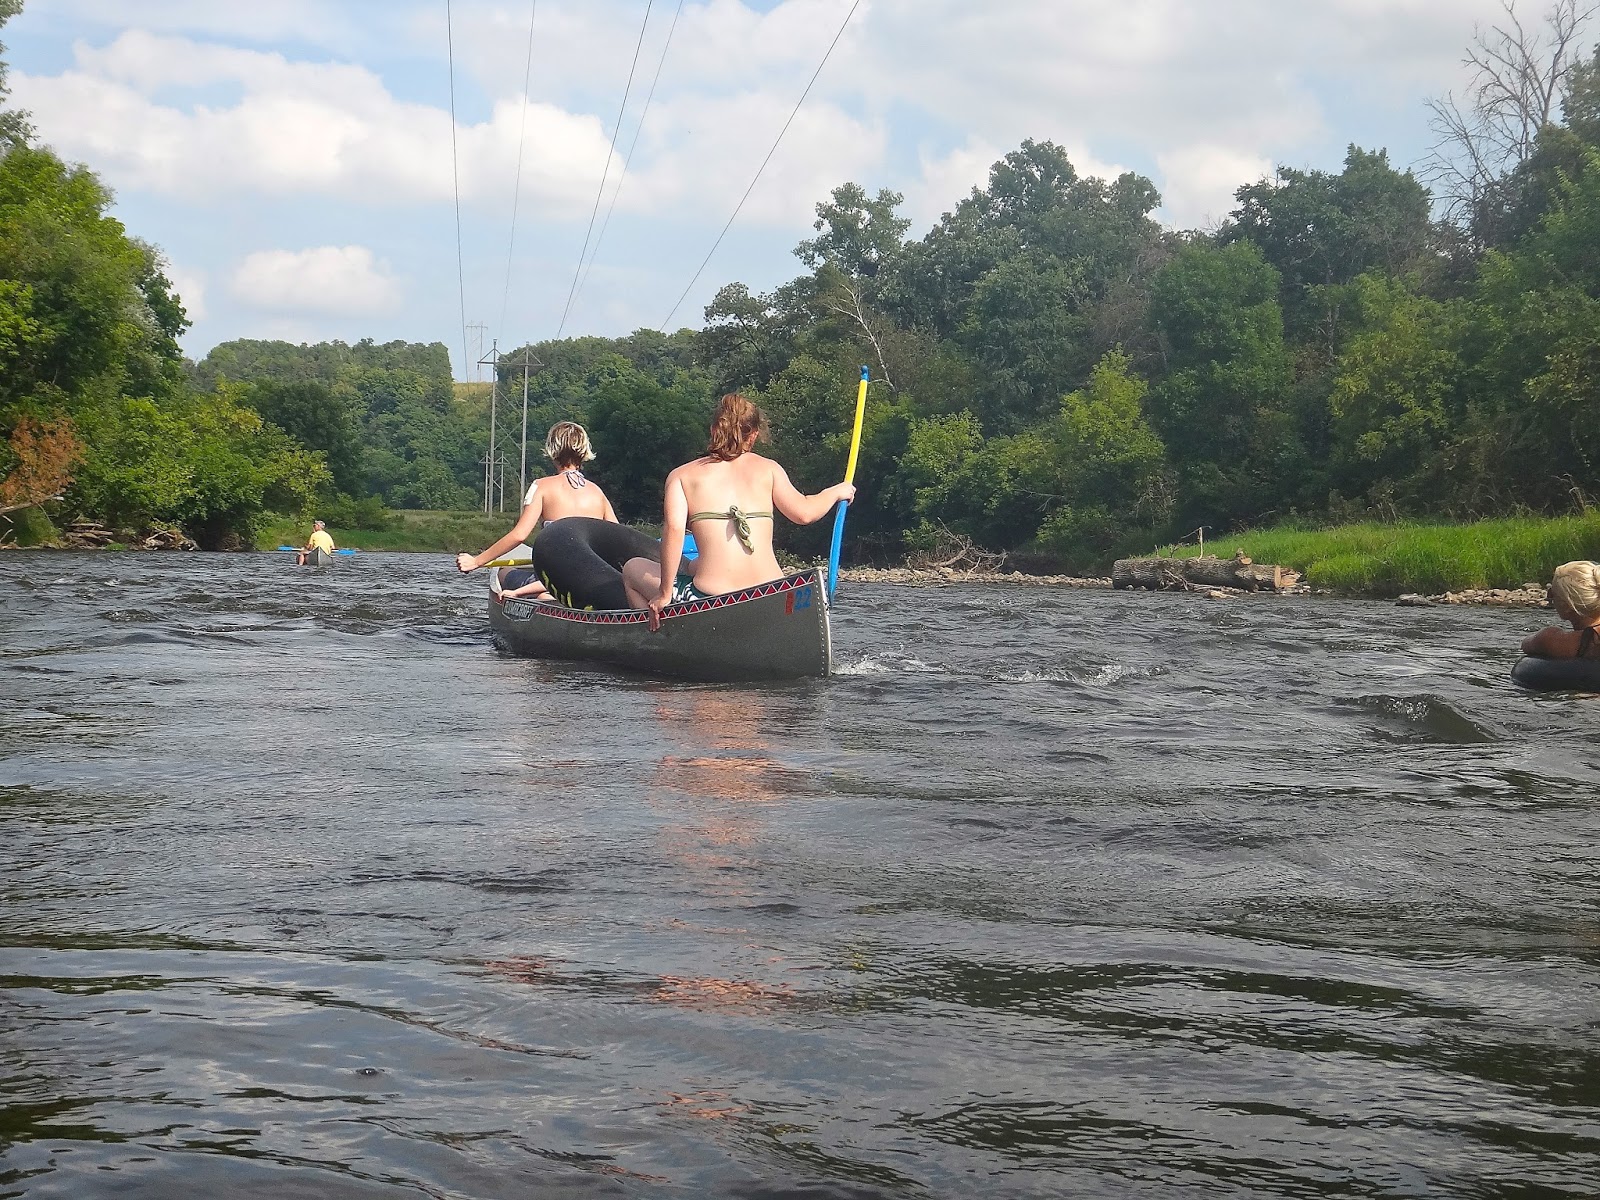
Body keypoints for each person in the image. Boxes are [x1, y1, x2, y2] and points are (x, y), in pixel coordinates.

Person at [621, 392, 854, 629]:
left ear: (713, 430)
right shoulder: (769, 469)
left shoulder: (682, 476)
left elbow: (673, 530)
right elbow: (805, 513)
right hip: (771, 595)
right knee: (693, 566)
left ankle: (661, 637)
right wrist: (836, 492)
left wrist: (664, 592)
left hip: (713, 600)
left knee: (632, 569)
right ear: (752, 436)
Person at [456, 421, 619, 599]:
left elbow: (519, 535)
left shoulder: (540, 486)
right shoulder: (597, 492)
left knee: (502, 571)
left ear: (552, 451)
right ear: (583, 451)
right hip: (590, 581)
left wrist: (476, 561)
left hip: (558, 580)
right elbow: (618, 541)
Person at [1522, 560, 1600, 658]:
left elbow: (1528, 644)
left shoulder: (1559, 642)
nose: (1550, 597)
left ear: (1567, 605)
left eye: (1552, 593)